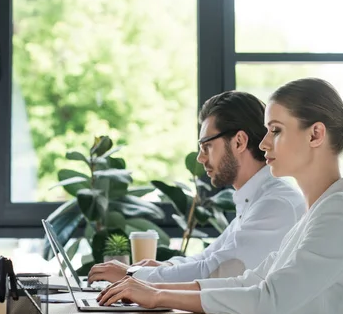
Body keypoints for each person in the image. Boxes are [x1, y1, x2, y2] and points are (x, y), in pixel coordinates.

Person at [97, 78, 343, 314]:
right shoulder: (315, 215)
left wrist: (158, 294)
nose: (264, 142)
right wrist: (149, 287)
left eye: (275, 131)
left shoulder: (340, 215)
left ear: (315, 134)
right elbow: (247, 282)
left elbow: (265, 299)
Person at [88, 90, 305, 285]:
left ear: (239, 142)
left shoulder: (276, 203)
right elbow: (208, 257)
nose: (200, 158)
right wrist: (163, 267)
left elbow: (218, 270)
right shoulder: (256, 198)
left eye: (207, 146)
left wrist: (132, 275)